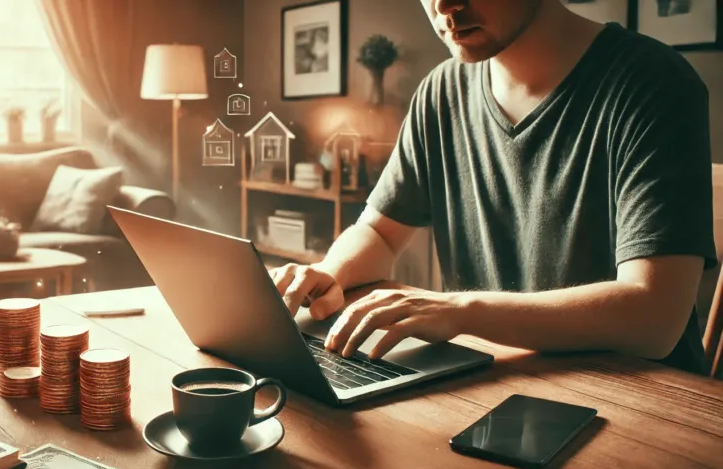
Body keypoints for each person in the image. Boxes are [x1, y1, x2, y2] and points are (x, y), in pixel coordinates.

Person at [271, 0, 716, 374]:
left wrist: (463, 311)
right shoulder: (439, 92)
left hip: (637, 400)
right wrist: (330, 273)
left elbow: (654, 319)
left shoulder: (654, 83)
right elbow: (381, 231)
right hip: (497, 378)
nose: (444, 5)